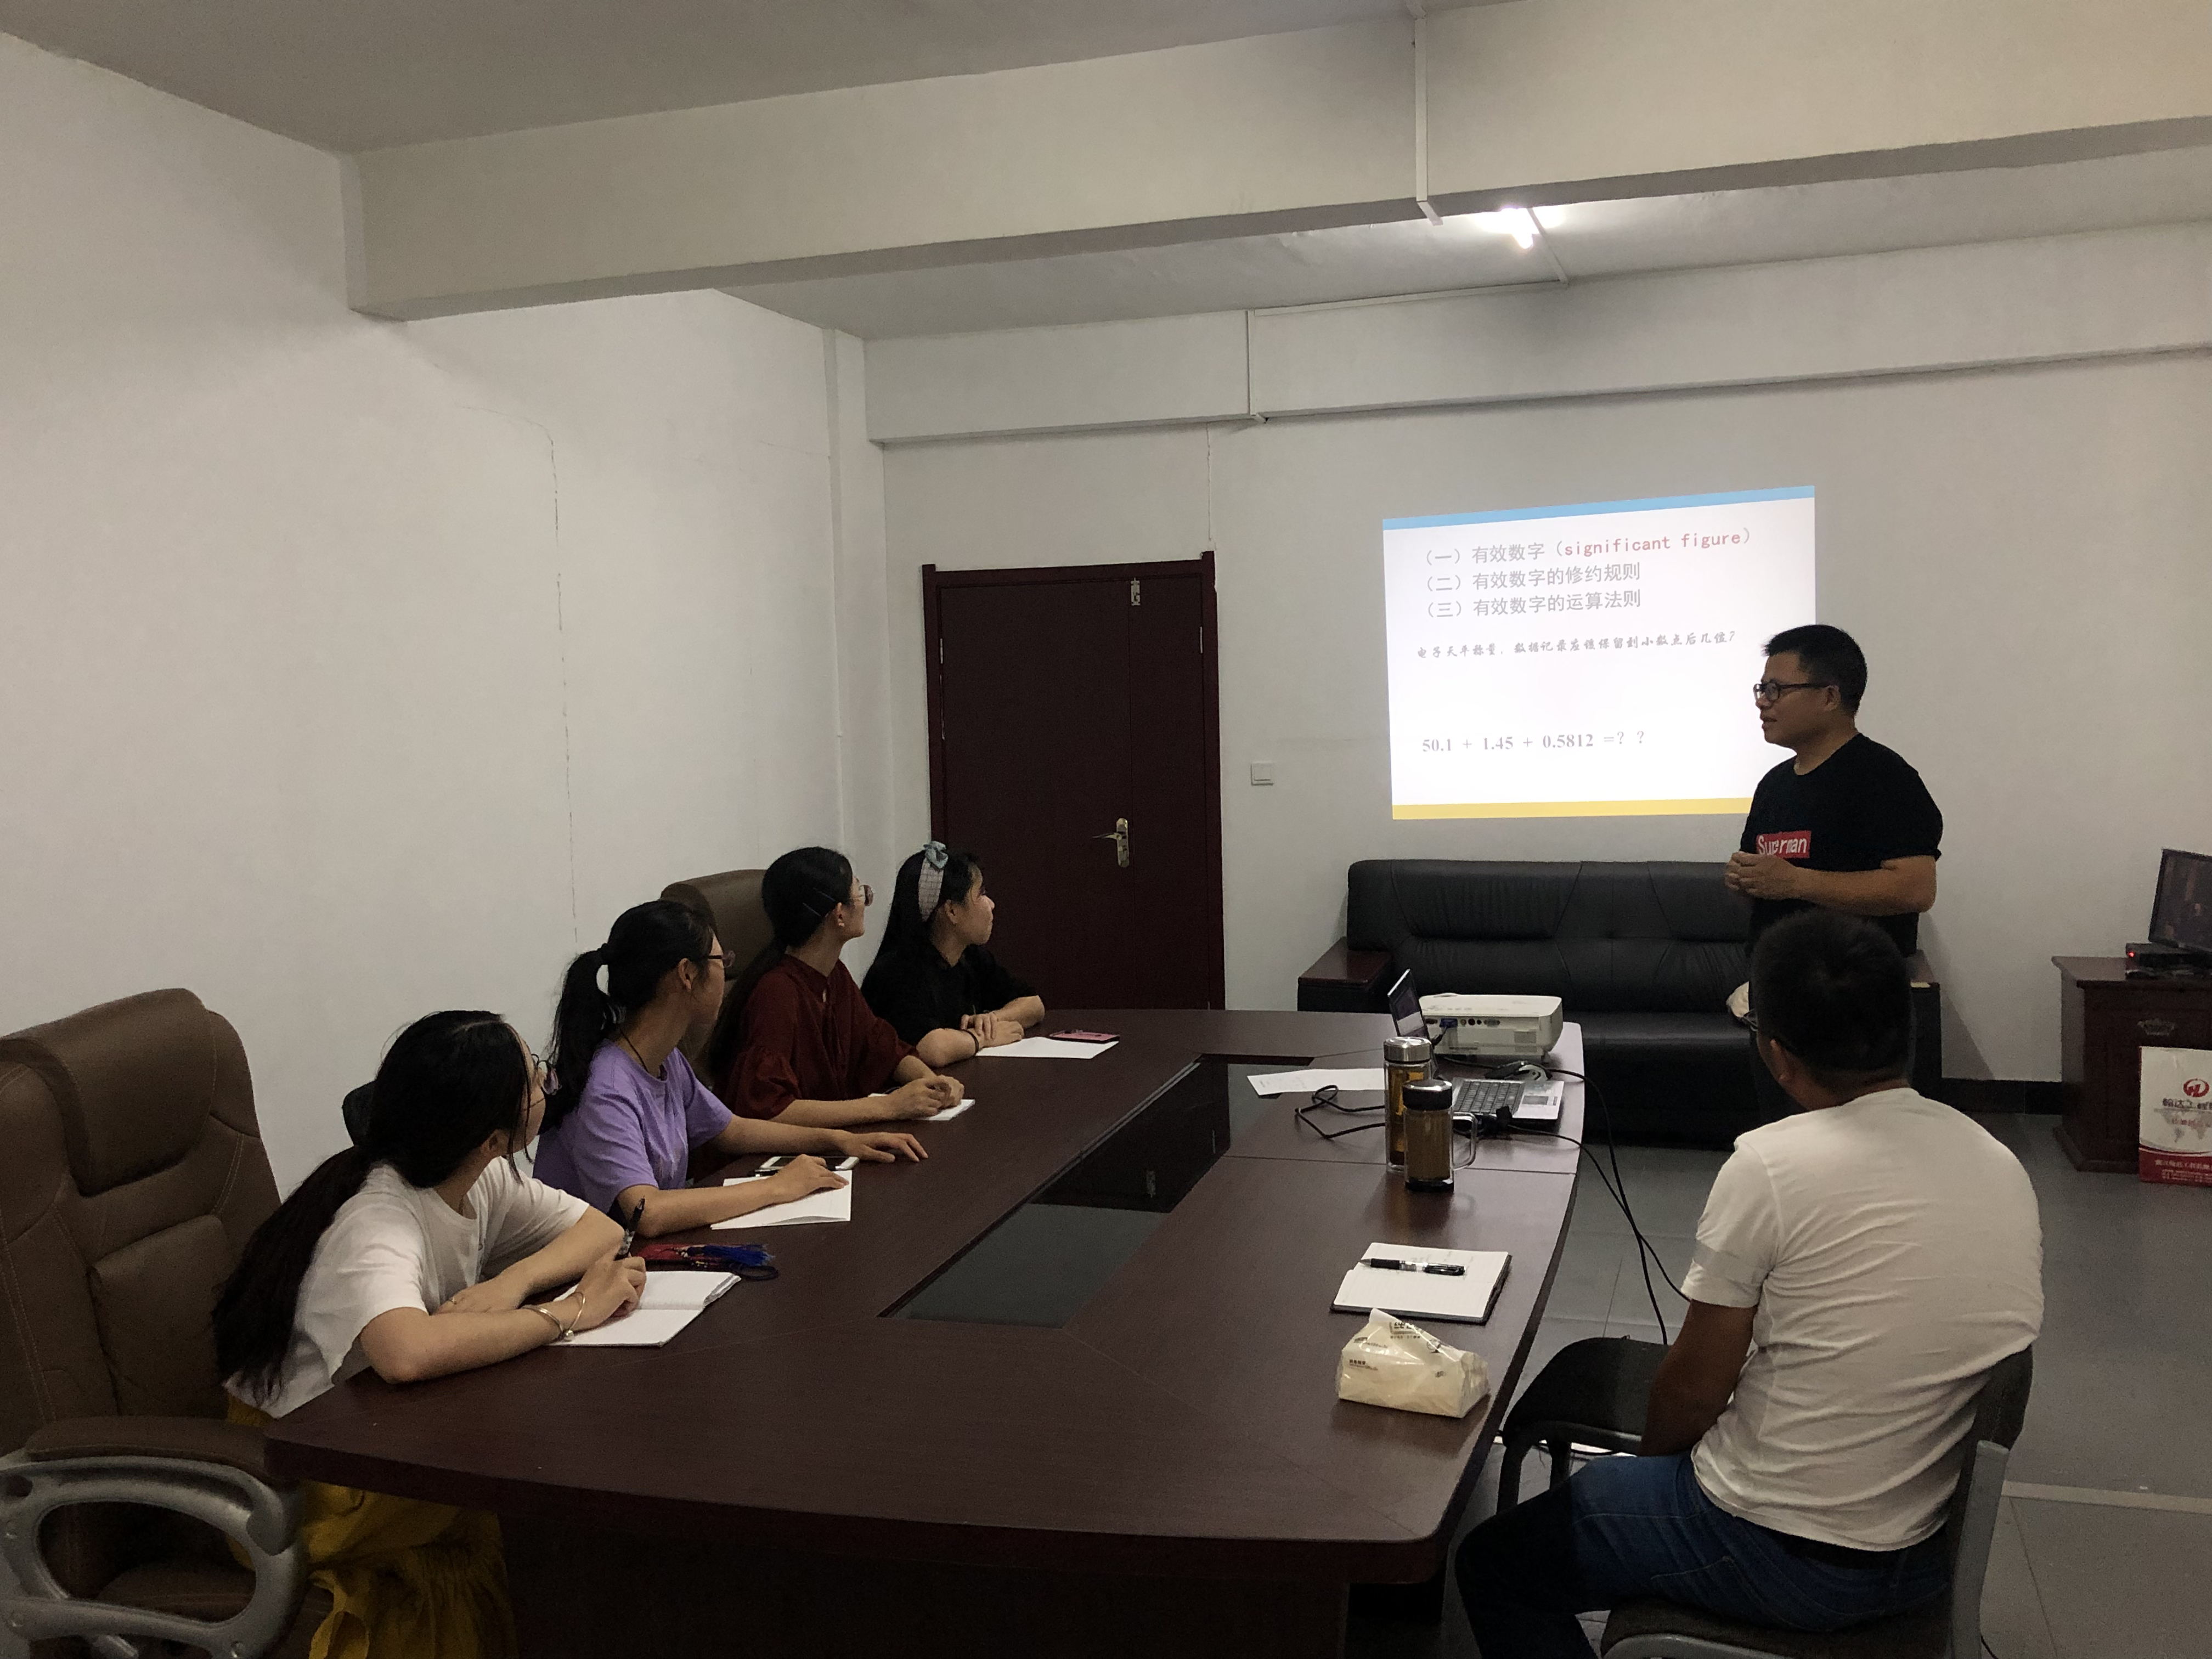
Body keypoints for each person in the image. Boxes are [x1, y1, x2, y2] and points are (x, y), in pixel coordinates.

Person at [1455, 911, 2042, 1657]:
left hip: (1785, 1552)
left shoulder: (1773, 1165)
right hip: (1924, 1554)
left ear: (1778, 1056)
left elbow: (1694, 1393)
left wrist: (1655, 1486)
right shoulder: (2000, 1165)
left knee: (1493, 1564)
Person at [214, 1011, 649, 1659]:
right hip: (304, 1479)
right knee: (547, 1509)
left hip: (383, 1431)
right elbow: (405, 1353)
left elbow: (602, 1232)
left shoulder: (477, 1175)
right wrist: (570, 1312)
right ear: (493, 1137)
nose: (546, 1083)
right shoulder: (376, 1218)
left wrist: (512, 1284)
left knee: (555, 1503)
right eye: (537, 1079)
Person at [535, 898, 926, 1234]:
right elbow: (646, 1211)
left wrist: (838, 1140)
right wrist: (777, 1187)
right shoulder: (606, 1086)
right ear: (687, 975)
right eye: (722, 961)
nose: (727, 972)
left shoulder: (664, 1058)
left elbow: (730, 1130)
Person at [1725, 624, 1942, 1116]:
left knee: (1861, 1141)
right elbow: (1768, 883)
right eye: (1761, 688)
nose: (1762, 702)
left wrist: (1796, 882)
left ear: (1829, 696)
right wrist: (1745, 880)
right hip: (1777, 995)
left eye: (1776, 689)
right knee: (1783, 1133)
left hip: (1852, 1005)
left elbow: (1915, 888)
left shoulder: (1884, 777)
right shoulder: (1774, 785)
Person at [705, 846, 964, 1123]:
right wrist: (888, 1106)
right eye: (860, 892)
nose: (865, 902)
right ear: (839, 914)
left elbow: (882, 1047)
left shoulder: (834, 974)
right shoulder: (777, 993)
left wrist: (931, 1083)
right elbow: (769, 1110)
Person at [862, 842, 1046, 1063]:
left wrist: (991, 1020)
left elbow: (1034, 1004)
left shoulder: (970, 957)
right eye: (981, 894)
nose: (991, 904)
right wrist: (983, 1038)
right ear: (952, 911)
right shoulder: (895, 973)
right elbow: (931, 1049)